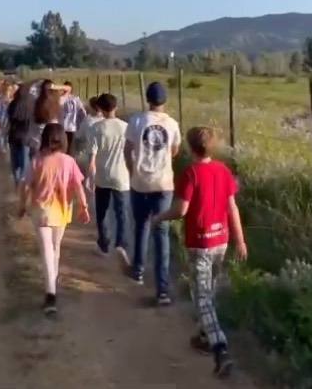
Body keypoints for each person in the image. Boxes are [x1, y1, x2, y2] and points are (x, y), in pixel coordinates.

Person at [151, 126, 247, 378]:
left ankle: (220, 348)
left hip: (200, 243)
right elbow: (232, 207)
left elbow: (181, 210)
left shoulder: (190, 173)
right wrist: (240, 240)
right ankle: (204, 336)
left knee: (202, 297)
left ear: (190, 147)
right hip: (221, 240)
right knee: (210, 290)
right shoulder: (223, 170)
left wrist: (159, 217)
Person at [18, 123, 90, 315]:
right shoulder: (69, 161)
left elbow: (25, 184)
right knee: (55, 247)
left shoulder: (37, 160)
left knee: (46, 250)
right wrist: (83, 206)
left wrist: (22, 205)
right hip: (61, 210)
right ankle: (52, 282)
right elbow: (78, 186)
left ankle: (50, 292)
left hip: (41, 210)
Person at [124, 80, 181, 304]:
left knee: (141, 225)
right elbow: (174, 150)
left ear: (147, 99)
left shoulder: (136, 120)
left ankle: (138, 270)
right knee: (162, 233)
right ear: (165, 100)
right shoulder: (172, 124)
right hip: (163, 184)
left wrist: (132, 172)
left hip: (140, 181)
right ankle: (162, 289)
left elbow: (127, 150)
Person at [87, 93, 130, 267]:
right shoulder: (126, 127)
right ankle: (121, 243)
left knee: (102, 211)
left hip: (103, 175)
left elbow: (92, 155)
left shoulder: (96, 128)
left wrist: (89, 176)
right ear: (115, 107)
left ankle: (103, 245)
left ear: (100, 108)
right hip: (121, 175)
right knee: (121, 212)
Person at [28, 83, 62, 159]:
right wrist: (55, 86)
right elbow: (68, 89)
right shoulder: (54, 108)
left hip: (34, 142)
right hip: (48, 147)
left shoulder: (35, 104)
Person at [60, 80, 86, 155]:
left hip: (62, 125)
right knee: (70, 146)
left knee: (63, 145)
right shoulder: (76, 98)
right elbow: (82, 111)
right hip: (72, 126)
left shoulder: (61, 98)